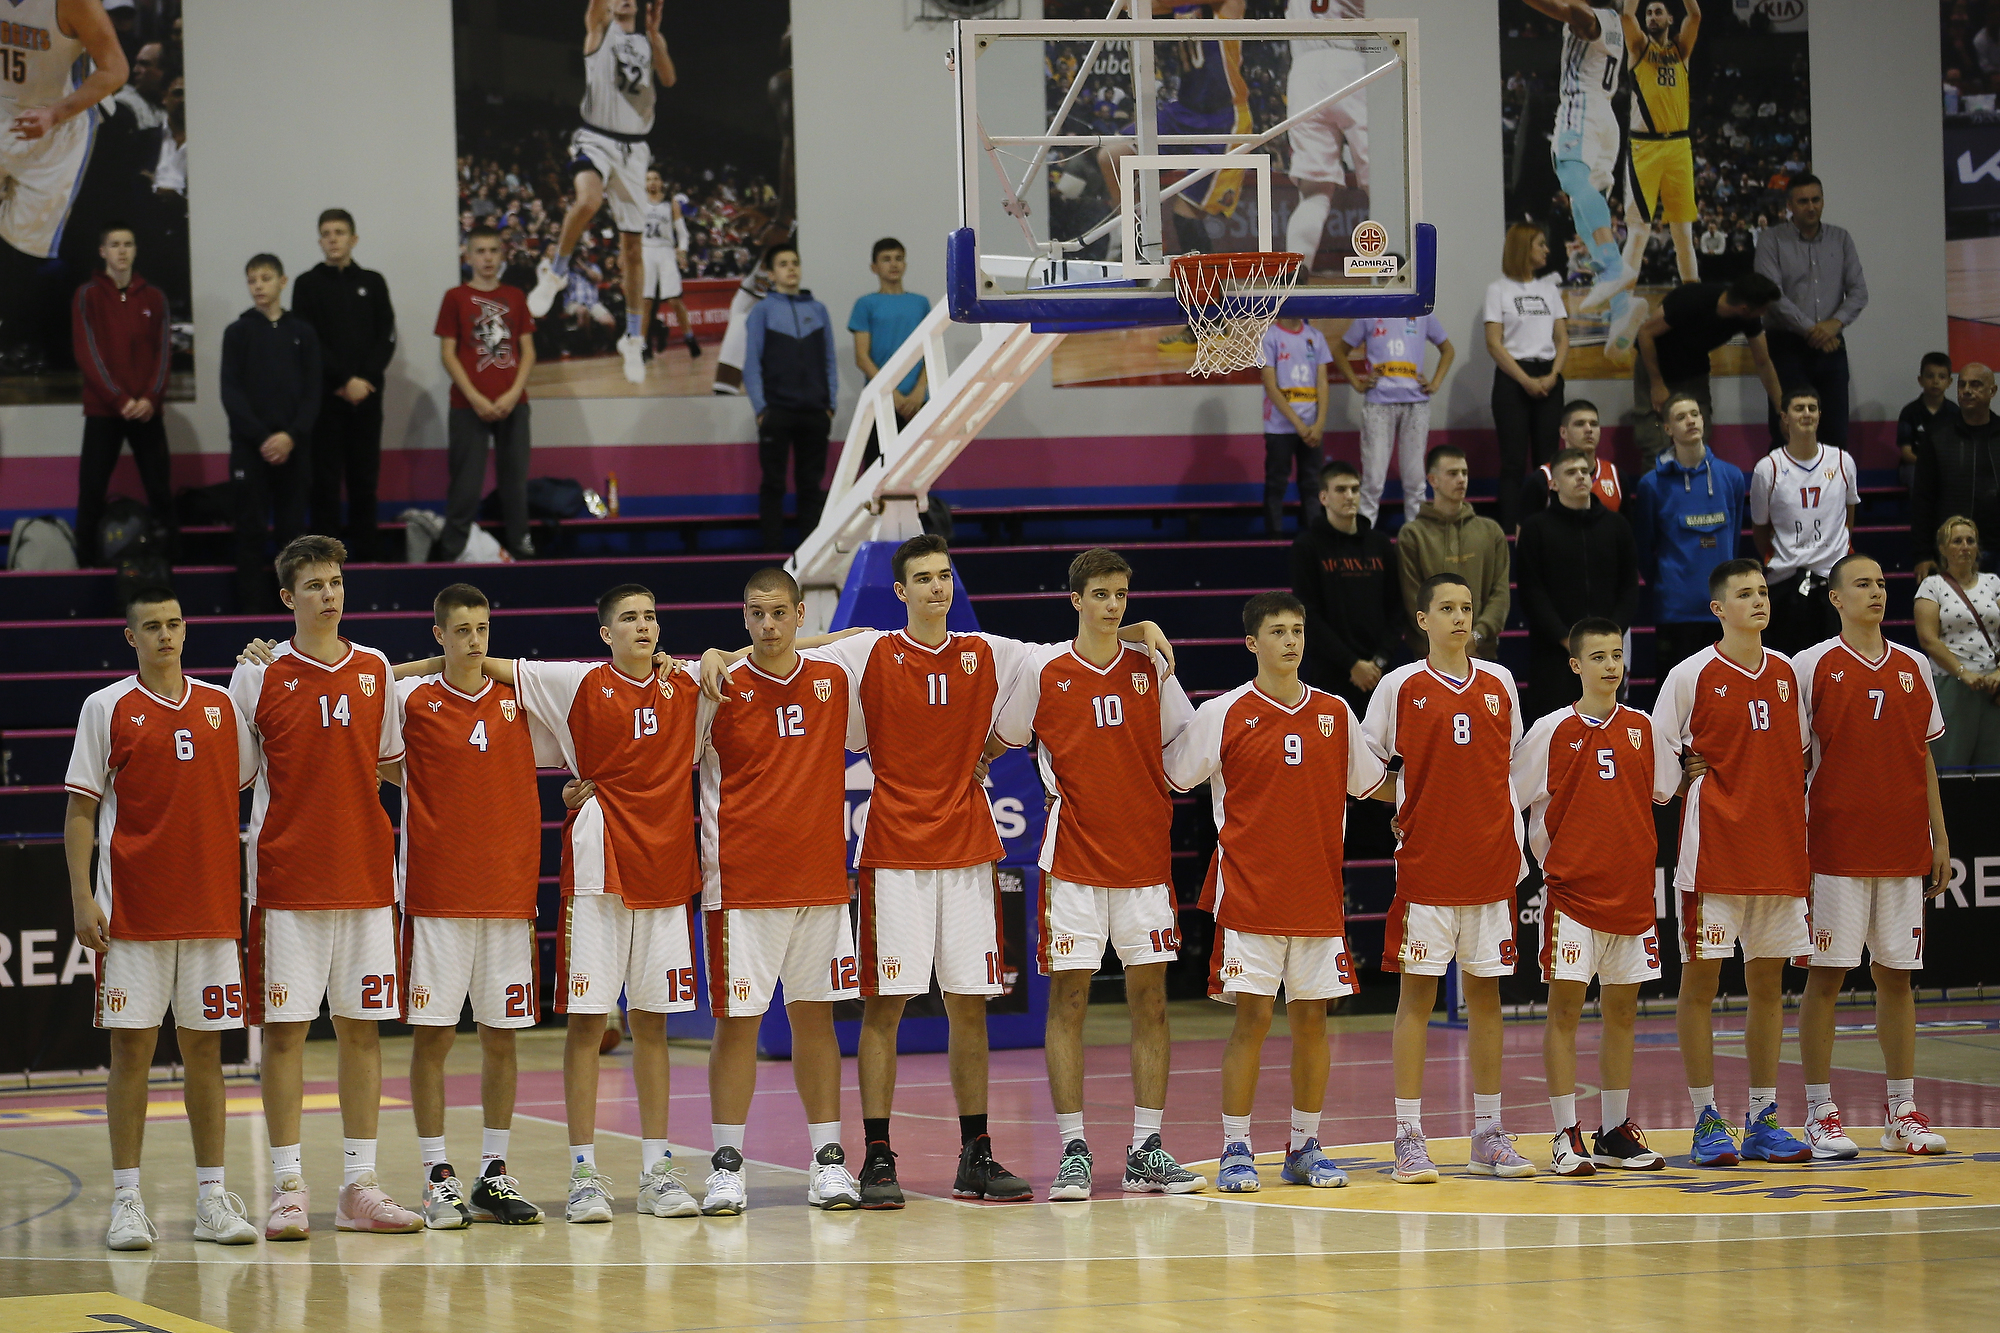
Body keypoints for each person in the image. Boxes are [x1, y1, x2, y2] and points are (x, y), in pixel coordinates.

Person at [698, 535, 1159, 1206]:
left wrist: (1135, 628)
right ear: (901, 591)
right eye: (923, 578)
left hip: (968, 850)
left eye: (944, 576)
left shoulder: (988, 651)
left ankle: (977, 1153)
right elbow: (790, 644)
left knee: (969, 1006)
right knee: (884, 1007)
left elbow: (1073, 648)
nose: (937, 587)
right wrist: (721, 654)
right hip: (894, 853)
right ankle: (877, 1156)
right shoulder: (870, 651)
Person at [991, 548, 1204, 1201]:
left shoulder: (1151, 666)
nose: (1114, 605)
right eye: (1102, 594)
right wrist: (973, 765)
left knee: (1152, 1003)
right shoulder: (1044, 668)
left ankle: (1146, 1150)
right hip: (1073, 865)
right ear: (1076, 600)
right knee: (1070, 1002)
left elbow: (1187, 748)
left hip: (1144, 863)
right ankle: (1074, 1150)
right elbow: (1005, 736)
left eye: (1122, 595)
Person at [229, 535, 421, 1237]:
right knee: (284, 1035)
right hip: (287, 883)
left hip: (366, 877)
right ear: (288, 597)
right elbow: (235, 777)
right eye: (313, 585)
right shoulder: (256, 675)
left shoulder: (375, 668)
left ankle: (358, 1186)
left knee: (360, 1031)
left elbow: (393, 764)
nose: (329, 594)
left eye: (335, 582)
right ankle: (286, 1186)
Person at [1165, 592, 1388, 1193]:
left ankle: (1305, 1145)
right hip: (1249, 897)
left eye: (1298, 630)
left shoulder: (1335, 712)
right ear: (1252, 643)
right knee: (1254, 1020)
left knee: (1313, 1021)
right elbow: (1174, 774)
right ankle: (1236, 1147)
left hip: (1317, 898)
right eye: (1278, 631)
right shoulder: (1222, 712)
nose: (1291, 641)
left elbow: (1371, 784)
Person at [65, 587, 259, 1250]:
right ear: (132, 637)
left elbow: (263, 769)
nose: (166, 635)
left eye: (174, 623)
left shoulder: (221, 706)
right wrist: (81, 897)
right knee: (131, 1052)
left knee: (206, 1052)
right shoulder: (105, 707)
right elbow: (81, 810)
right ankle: (126, 1201)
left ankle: (212, 1199)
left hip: (210, 913)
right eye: (152, 626)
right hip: (132, 914)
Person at [697, 568, 867, 1214]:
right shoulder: (714, 686)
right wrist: (718, 654)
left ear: (799, 613)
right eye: (755, 614)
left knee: (815, 1019)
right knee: (737, 1024)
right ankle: (726, 1166)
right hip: (742, 883)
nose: (767, 625)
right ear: (743, 616)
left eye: (778, 613)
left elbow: (862, 635)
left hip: (819, 882)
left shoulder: (833, 676)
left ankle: (828, 1161)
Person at [385, 585, 553, 1228]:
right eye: (461, 631)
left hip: (508, 898)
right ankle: (437, 1175)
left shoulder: (520, 698)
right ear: (438, 635)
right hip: (437, 899)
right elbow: (363, 696)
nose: (475, 641)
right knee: (434, 1038)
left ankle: (494, 1172)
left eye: (482, 629)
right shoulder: (411, 700)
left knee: (500, 1038)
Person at [1363, 572, 1533, 1184]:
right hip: (1427, 870)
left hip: (1490, 867)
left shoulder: (1500, 682)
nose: (1461, 618)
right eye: (1447, 608)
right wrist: (1410, 801)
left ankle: (1488, 1133)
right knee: (1418, 998)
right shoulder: (1399, 686)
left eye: (1466, 607)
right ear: (1423, 620)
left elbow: (1509, 768)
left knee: (1487, 999)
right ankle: (1408, 1136)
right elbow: (1364, 770)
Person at [1651, 558, 1814, 1168]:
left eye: (1763, 592)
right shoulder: (1690, 674)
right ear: (1718, 608)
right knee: (1701, 984)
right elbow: (1658, 751)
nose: (1759, 601)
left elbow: (1800, 751)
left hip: (1778, 852)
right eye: (1745, 594)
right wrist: (1683, 781)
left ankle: (1763, 1117)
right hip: (1714, 853)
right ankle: (1704, 1119)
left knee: (1768, 986)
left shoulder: (1786, 673)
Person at [1793, 556, 1952, 1160]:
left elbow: (1923, 758)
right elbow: (1793, 762)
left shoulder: (1914, 665)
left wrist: (1939, 837)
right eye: (1862, 584)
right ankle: (1819, 1112)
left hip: (1903, 847)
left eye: (1882, 583)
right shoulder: (1811, 665)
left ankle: (1901, 1112)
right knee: (1826, 978)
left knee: (1897, 977)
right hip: (1835, 849)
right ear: (1836, 598)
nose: (1877, 592)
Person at [1514, 617, 1682, 1177]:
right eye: (1599, 657)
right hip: (1572, 897)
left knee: (1623, 1013)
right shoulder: (1550, 730)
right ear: (1575, 665)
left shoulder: (1643, 727)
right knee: (1565, 1012)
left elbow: (1667, 788)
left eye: (1617, 655)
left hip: (1631, 896)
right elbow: (1509, 795)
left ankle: (1613, 1132)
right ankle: (1566, 1134)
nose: (1611, 665)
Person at [525, 0, 677, 386]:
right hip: (596, 137)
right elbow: (596, 10)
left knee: (633, 252)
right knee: (589, 200)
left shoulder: (648, 41)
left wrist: (655, 34)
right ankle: (555, 273)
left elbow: (669, 78)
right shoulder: (600, 31)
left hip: (636, 150)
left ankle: (633, 338)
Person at [1517, 2, 1647, 353]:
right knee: (1585, 208)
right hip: (1606, 116)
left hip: (1582, 109)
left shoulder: (1591, 17)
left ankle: (1614, 268)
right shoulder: (1616, 21)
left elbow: (1564, 9)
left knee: (1572, 180)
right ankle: (1622, 306)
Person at [292, 209, 397, 562]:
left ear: (353, 239)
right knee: (324, 482)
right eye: (326, 233)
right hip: (326, 399)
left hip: (366, 398)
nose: (333, 239)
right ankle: (325, 559)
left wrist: (363, 380)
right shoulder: (307, 285)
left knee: (364, 480)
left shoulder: (373, 282)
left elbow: (386, 337)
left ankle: (366, 555)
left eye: (339, 232)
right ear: (320, 240)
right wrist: (342, 381)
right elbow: (308, 341)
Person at [220, 254, 320, 612]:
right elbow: (231, 392)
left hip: (294, 447)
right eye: (252, 280)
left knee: (292, 536)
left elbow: (313, 392)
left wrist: (291, 436)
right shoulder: (237, 332)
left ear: (282, 281)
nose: (258, 286)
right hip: (251, 448)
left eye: (265, 278)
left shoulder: (303, 333)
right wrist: (263, 437)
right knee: (249, 530)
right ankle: (249, 612)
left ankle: (292, 613)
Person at [1627, 392, 1747, 681]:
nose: (1690, 421)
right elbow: (1643, 549)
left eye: (1694, 414)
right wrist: (1669, 583)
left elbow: (1733, 541)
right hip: (1676, 611)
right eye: (1681, 417)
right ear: (1668, 428)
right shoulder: (1652, 485)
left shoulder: (1731, 477)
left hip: (1723, 610)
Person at [72, 221, 172, 566]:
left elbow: (163, 353)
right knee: (91, 492)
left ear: (135, 250)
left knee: (160, 491)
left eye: (128, 244)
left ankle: (170, 567)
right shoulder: (87, 295)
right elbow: (87, 353)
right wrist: (119, 399)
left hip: (146, 411)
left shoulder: (155, 297)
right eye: (115, 245)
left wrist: (150, 398)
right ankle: (86, 568)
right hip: (104, 411)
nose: (122, 251)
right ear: (103, 251)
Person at [435, 224, 536, 561]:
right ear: (468, 256)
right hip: (467, 406)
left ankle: (520, 543)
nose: (487, 258)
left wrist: (513, 394)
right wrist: (475, 398)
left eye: (493, 251)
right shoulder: (455, 297)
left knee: (515, 481)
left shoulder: (516, 296)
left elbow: (528, 351)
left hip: (513, 404)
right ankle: (452, 549)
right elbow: (448, 354)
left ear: (502, 254)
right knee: (465, 483)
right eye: (480, 251)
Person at [1515, 448, 1639, 719]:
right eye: (1571, 472)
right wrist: (1566, 638)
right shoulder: (1536, 529)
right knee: (1555, 730)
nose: (1581, 476)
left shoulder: (1617, 526)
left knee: (1606, 726)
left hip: (1605, 654)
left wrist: (1609, 636)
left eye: (1585, 471)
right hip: (1553, 654)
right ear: (1553, 483)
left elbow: (1629, 587)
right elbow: (1531, 591)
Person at [0, 0, 126, 264]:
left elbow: (115, 69)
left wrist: (54, 114)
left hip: (58, 122)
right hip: (6, 106)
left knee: (21, 253)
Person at [1755, 174, 1867, 450]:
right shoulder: (1771, 240)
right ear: (1789, 205)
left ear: (1823, 201)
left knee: (1835, 431)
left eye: (1816, 200)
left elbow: (1859, 291)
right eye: (1803, 201)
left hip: (1832, 345)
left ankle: (1832, 481)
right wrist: (1814, 330)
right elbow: (1771, 295)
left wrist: (1834, 324)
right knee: (1787, 431)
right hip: (1786, 347)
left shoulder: (1841, 238)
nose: (1811, 207)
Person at [1748, 387, 1858, 656]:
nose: (1806, 414)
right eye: (1799, 408)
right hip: (1786, 582)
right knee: (1789, 663)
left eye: (1812, 408)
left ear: (1820, 414)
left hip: (1833, 580)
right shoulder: (1767, 468)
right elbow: (1760, 528)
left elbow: (1849, 516)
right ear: (1785, 417)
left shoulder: (1842, 461)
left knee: (1835, 665)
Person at [744, 241, 837, 552]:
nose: (791, 269)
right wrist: (762, 409)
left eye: (794, 262)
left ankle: (809, 555)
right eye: (783, 264)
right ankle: (772, 556)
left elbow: (829, 360)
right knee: (774, 484)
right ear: (771, 274)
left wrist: (830, 405)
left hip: (815, 412)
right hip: (777, 412)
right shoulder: (761, 311)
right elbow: (751, 364)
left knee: (811, 486)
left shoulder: (818, 310)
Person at [1289, 460, 1403, 711]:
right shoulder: (1307, 547)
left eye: (1355, 489)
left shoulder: (1380, 544)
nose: (1350, 496)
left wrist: (1379, 661)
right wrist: (1352, 664)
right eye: (1341, 489)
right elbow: (1308, 613)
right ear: (1323, 497)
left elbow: (1397, 608)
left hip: (1379, 672)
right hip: (1330, 673)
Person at [1631, 272, 1783, 457]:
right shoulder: (1691, 299)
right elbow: (1645, 333)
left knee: (1698, 439)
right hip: (1655, 365)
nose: (1765, 313)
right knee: (1654, 442)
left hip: (1694, 368)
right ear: (1745, 308)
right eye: (1764, 309)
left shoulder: (1748, 318)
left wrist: (1781, 410)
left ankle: (1696, 475)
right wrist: (1656, 384)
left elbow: (1764, 362)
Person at [1330, 311, 1454, 527]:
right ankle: (1363, 536)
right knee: (1373, 480)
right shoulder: (1370, 312)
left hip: (1416, 405)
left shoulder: (1421, 312)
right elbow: (1340, 351)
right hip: (1378, 404)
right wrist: (1358, 383)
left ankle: (1417, 537)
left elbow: (1448, 350)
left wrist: (1435, 383)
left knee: (1415, 481)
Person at [1484, 222, 1569, 534]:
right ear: (1523, 248)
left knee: (1548, 461)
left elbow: (1562, 338)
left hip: (1548, 376)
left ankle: (1549, 527)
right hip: (1513, 379)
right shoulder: (1498, 290)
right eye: (1540, 244)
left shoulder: (1549, 290)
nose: (1547, 250)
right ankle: (1510, 532)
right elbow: (1494, 343)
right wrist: (1524, 380)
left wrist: (1553, 375)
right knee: (1513, 461)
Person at [1396, 446, 1510, 660]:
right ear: (1433, 480)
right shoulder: (1413, 535)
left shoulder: (1491, 531)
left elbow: (1500, 592)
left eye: (1464, 473)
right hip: (1430, 656)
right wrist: (1447, 642)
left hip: (1482, 653)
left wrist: (1476, 635)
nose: (1461, 480)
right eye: (1452, 473)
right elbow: (1413, 599)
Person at [1620, 0, 1703, 286]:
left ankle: (1693, 299)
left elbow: (1695, 14)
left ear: (1670, 19)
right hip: (1644, 147)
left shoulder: (1681, 51)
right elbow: (1627, 15)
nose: (1652, 17)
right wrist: (1635, 10)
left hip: (1679, 146)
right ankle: (1622, 304)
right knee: (1638, 232)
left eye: (1658, 12)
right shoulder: (1639, 48)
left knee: (1683, 234)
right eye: (1649, 13)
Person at [1281, 0, 1370, 263]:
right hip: (1353, 64)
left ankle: (1297, 270)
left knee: (1314, 192)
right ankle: (1398, 270)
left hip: (1303, 74)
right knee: (1381, 182)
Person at [1914, 516, 2000, 768]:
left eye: (1970, 541)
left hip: (1992, 686)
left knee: (1993, 765)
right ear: (1943, 548)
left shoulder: (1993, 583)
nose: (1965, 547)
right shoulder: (1932, 585)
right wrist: (1963, 672)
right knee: (1950, 762)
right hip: (1951, 682)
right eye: (1957, 541)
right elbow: (1928, 639)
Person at [848, 237, 932, 472]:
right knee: (878, 470)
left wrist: (919, 391)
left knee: (917, 470)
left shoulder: (920, 303)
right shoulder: (866, 304)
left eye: (898, 258)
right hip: (880, 400)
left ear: (905, 264)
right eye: (886, 259)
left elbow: (930, 350)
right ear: (874, 267)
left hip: (917, 401)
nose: (893, 264)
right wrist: (890, 393)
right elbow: (862, 357)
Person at [1910, 364, 2000, 577]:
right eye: (1962, 385)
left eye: (1975, 385)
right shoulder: (1937, 435)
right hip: (1951, 551)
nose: (1967, 390)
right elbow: (1922, 498)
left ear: (1993, 391)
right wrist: (1923, 554)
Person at [1258, 313, 1333, 536]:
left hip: (1311, 428)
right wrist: (1298, 425)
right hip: (1279, 428)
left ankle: (1315, 540)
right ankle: (1274, 540)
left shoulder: (1315, 337)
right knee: (1276, 484)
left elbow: (1322, 383)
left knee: (1312, 485)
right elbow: (1270, 386)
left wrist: (1319, 424)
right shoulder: (1270, 337)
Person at [1517, 399, 1622, 520]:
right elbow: (1525, 530)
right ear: (1563, 432)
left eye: (1594, 424)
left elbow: (1625, 527)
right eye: (1580, 424)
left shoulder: (1615, 475)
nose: (1589, 429)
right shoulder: (1541, 479)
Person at [639, 167, 701, 360]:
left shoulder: (670, 203)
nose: (652, 182)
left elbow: (682, 233)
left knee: (674, 300)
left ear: (661, 182)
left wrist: (682, 251)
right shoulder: (639, 202)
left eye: (655, 178)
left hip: (666, 251)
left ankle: (689, 338)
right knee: (646, 301)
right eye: (648, 179)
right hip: (646, 250)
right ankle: (642, 345)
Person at [1897, 352, 1957, 492]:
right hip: (1915, 466)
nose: (1935, 381)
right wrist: (1929, 464)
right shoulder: (1909, 412)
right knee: (1919, 478)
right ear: (1920, 380)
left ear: (1949, 382)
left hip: (1946, 467)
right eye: (1930, 376)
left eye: (1942, 377)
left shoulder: (1955, 412)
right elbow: (1906, 453)